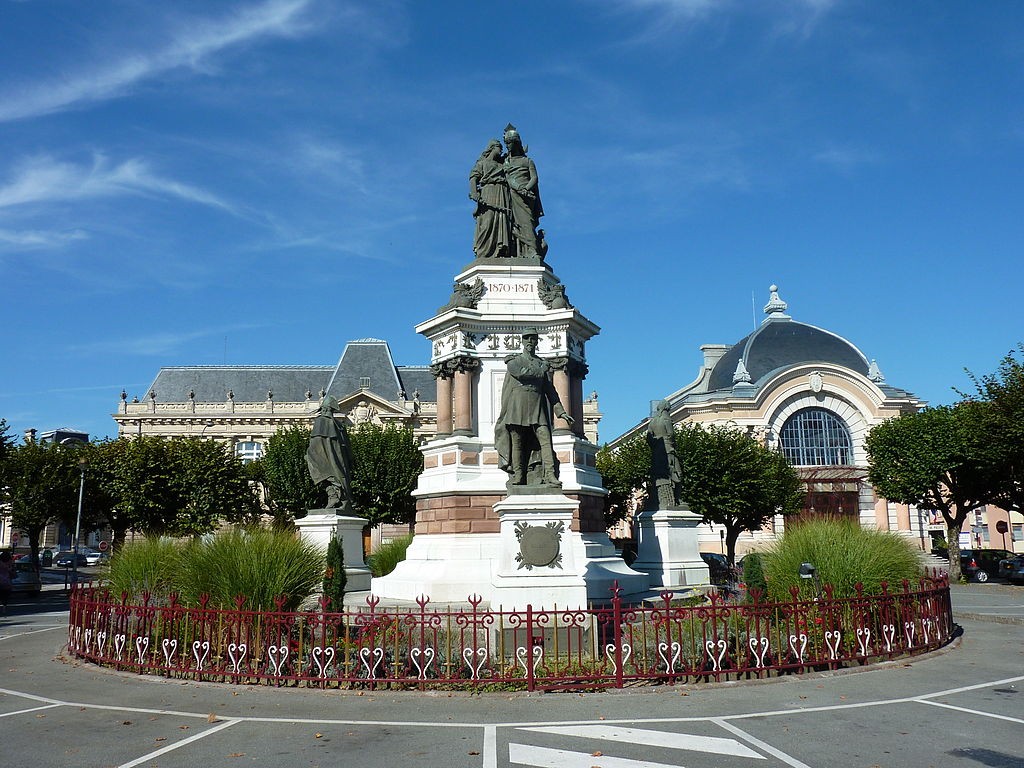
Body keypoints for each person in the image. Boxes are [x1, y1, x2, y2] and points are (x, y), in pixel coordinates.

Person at [495, 328, 573, 488]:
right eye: (527, 338)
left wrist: (561, 412)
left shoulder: (541, 363)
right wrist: (542, 369)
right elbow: (522, 373)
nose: (530, 341)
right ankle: (518, 475)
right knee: (517, 443)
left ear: (537, 342)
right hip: (517, 407)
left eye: (533, 339)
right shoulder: (514, 361)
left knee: (546, 442)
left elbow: (551, 392)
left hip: (538, 408)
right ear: (522, 341)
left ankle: (550, 475)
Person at [305, 397, 355, 513]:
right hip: (338, 457)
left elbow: (316, 443)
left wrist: (310, 454)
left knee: (321, 474)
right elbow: (347, 446)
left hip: (325, 456)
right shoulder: (339, 425)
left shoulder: (321, 421)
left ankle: (336, 497)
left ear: (324, 408)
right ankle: (338, 498)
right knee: (337, 476)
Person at [502, 124, 543, 259]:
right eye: (506, 143)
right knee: (512, 223)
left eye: (509, 143)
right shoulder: (505, 161)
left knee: (526, 222)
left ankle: (532, 250)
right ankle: (515, 251)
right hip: (510, 195)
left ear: (516, 143)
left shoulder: (527, 161)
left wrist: (525, 189)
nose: (507, 146)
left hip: (526, 197)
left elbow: (534, 178)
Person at [469, 139, 513, 259]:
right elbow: (473, 178)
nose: (501, 150)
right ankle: (484, 251)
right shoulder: (482, 163)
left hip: (502, 193)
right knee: (488, 221)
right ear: (493, 148)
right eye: (499, 148)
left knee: (501, 219)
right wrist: (474, 193)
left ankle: (501, 249)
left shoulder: (502, 165)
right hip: (488, 192)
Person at [647, 400, 683, 509]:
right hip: (668, 449)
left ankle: (659, 498)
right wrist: (670, 445)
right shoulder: (666, 419)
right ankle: (677, 499)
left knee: (658, 474)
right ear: (666, 409)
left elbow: (649, 438)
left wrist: (656, 445)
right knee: (677, 473)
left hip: (657, 452)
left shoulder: (652, 422)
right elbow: (671, 434)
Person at [0, 551, 13, 615]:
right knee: (5, 596)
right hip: (7, 582)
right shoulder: (9, 563)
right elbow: (11, 571)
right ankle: (4, 608)